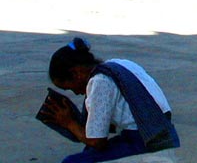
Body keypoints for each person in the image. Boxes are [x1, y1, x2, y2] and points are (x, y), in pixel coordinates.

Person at [40, 37, 180, 163]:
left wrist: (69, 123)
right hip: (163, 133)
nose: (76, 93)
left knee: (71, 162)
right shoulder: (119, 64)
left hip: (145, 142)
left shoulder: (100, 81)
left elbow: (97, 141)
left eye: (70, 88)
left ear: (76, 73)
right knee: (88, 153)